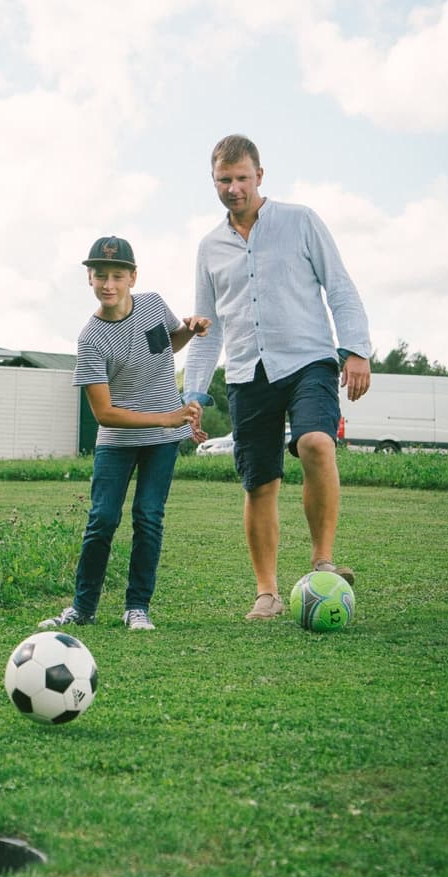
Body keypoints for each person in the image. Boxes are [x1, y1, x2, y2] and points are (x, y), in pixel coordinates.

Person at [184, 135, 371, 620]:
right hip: (248, 373)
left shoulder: (301, 221)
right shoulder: (209, 247)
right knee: (260, 483)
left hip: (309, 359)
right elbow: (208, 327)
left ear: (260, 175)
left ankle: (322, 563)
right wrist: (194, 393)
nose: (233, 188)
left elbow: (341, 287)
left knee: (316, 443)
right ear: (213, 181)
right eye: (224, 180)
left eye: (242, 178)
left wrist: (356, 351)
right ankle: (266, 592)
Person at [40, 236, 210, 632]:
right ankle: (83, 609)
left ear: (133, 277)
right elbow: (104, 414)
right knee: (102, 519)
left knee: (148, 517)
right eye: (101, 276)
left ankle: (137, 608)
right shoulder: (91, 338)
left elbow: (168, 343)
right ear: (89, 279)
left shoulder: (152, 305)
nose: (109, 284)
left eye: (117, 275)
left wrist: (190, 328)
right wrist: (166, 419)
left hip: (162, 444)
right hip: (118, 443)